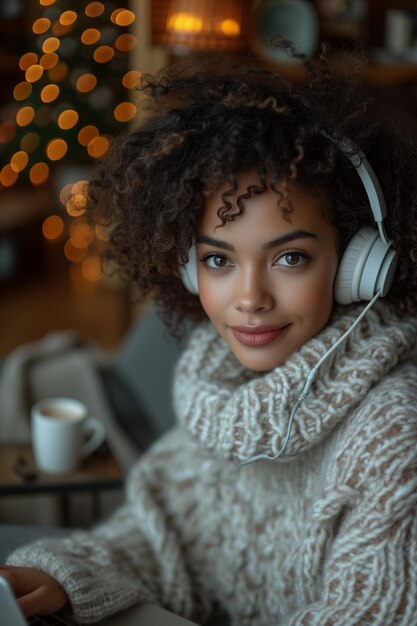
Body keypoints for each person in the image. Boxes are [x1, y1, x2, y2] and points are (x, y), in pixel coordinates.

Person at [2, 43, 417, 625]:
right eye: (219, 261)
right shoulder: (220, 390)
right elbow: (160, 536)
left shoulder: (394, 436)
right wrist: (65, 574)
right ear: (189, 271)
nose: (249, 299)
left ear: (356, 267)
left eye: (290, 258)